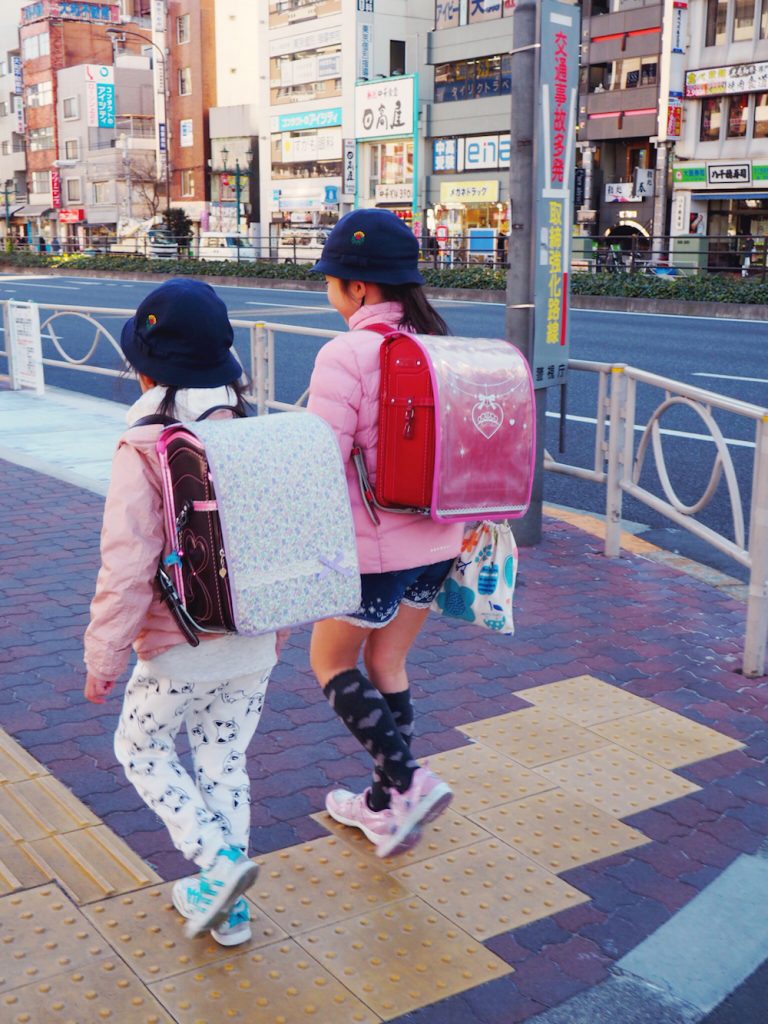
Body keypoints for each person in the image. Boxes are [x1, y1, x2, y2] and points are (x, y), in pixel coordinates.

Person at [84, 278, 286, 947]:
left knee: (138, 747)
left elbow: (127, 565)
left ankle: (220, 865)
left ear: (145, 367)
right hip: (254, 642)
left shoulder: (144, 446)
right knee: (223, 760)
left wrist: (104, 654)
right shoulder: (255, 433)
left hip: (178, 647)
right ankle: (230, 909)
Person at [306, 209, 463, 859]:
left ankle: (409, 780)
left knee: (330, 662)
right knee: (388, 661)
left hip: (373, 553)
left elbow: (317, 466)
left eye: (332, 278)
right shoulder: (442, 346)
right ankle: (381, 806)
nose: (329, 289)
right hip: (441, 543)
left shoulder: (346, 353)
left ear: (361, 288)